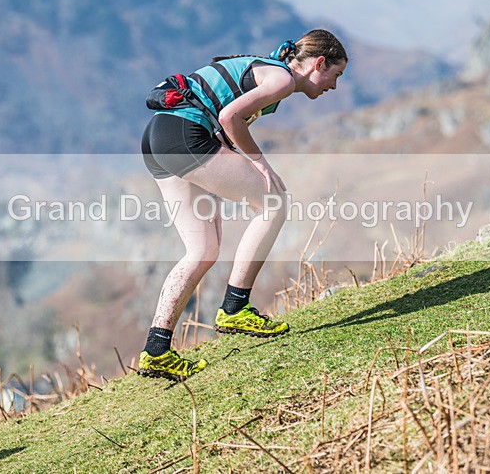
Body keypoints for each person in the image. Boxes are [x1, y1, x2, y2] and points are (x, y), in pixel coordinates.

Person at [137, 29, 348, 380]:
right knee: (274, 202)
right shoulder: (281, 79)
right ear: (319, 63)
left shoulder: (265, 68)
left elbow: (221, 123)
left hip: (158, 137)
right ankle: (235, 307)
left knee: (202, 250)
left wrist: (225, 175)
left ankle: (156, 350)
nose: (335, 86)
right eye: (336, 75)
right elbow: (229, 118)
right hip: (183, 135)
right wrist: (260, 164)